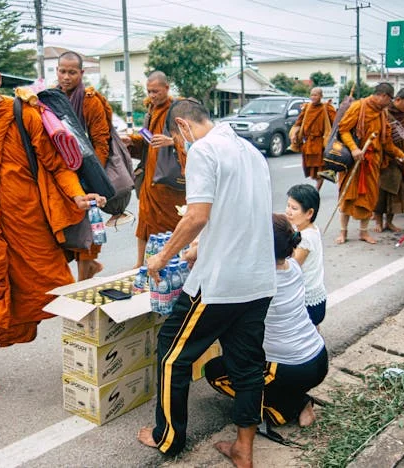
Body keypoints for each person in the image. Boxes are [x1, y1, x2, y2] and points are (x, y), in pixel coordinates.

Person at [0, 56, 105, 405]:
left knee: (59, 296)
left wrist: (77, 196)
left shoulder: (25, 114)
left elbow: (56, 163)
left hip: (31, 229)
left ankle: (102, 361)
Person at [137, 99, 276, 467]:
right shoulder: (250, 151)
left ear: (182, 127)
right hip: (258, 279)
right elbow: (238, 213)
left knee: (171, 354)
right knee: (246, 365)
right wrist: (201, 246)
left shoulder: (204, 150)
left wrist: (162, 257)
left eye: (177, 139)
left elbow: (197, 215)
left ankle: (167, 437)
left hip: (219, 285)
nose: (180, 147)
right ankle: (243, 448)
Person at [204, 213, 328, 430]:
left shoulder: (259, 282)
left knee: (216, 371)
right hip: (319, 357)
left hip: (290, 368)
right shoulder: (293, 267)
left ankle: (291, 406)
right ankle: (295, 395)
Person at [57, 50, 113, 280]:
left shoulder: (90, 101)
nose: (66, 77)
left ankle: (85, 279)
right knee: (66, 231)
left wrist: (92, 177)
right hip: (61, 174)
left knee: (87, 232)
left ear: (81, 73)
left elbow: (101, 142)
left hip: (86, 175)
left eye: (72, 72)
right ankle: (88, 269)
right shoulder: (50, 98)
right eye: (62, 71)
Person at [335, 83, 404, 244]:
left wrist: (402, 155)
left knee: (369, 198)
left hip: (372, 162)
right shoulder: (359, 107)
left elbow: (387, 143)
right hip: (354, 160)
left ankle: (363, 232)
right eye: (389, 99)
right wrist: (354, 149)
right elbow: (343, 129)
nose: (389, 103)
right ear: (383, 96)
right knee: (347, 196)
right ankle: (343, 232)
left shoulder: (382, 114)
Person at [125, 71, 186, 268]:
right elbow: (147, 141)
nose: (152, 96)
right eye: (149, 91)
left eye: (156, 91)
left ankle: (176, 260)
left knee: (175, 225)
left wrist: (171, 141)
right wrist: (130, 140)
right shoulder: (151, 110)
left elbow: (195, 139)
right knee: (145, 221)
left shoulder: (178, 109)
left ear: (167, 89)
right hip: (150, 180)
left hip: (170, 182)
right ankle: (139, 263)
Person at [285, 185, 327, 327]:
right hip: (317, 296)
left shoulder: (306, 238)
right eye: (288, 206)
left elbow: (291, 267)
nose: (288, 211)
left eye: (294, 208)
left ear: (309, 213)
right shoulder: (310, 229)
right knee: (312, 330)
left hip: (308, 302)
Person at [374, 87, 404, 232]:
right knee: (381, 192)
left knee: (396, 191)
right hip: (384, 157)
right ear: (397, 100)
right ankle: (378, 222)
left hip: (400, 157)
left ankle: (389, 222)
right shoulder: (384, 112)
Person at [291, 87, 336, 190]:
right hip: (309, 143)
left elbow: (335, 123)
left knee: (321, 167)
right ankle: (317, 183)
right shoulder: (307, 108)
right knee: (312, 169)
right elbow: (298, 123)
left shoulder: (327, 108)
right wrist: (294, 134)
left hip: (321, 142)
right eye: (312, 95)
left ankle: (317, 189)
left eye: (316, 95)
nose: (313, 97)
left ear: (321, 96)